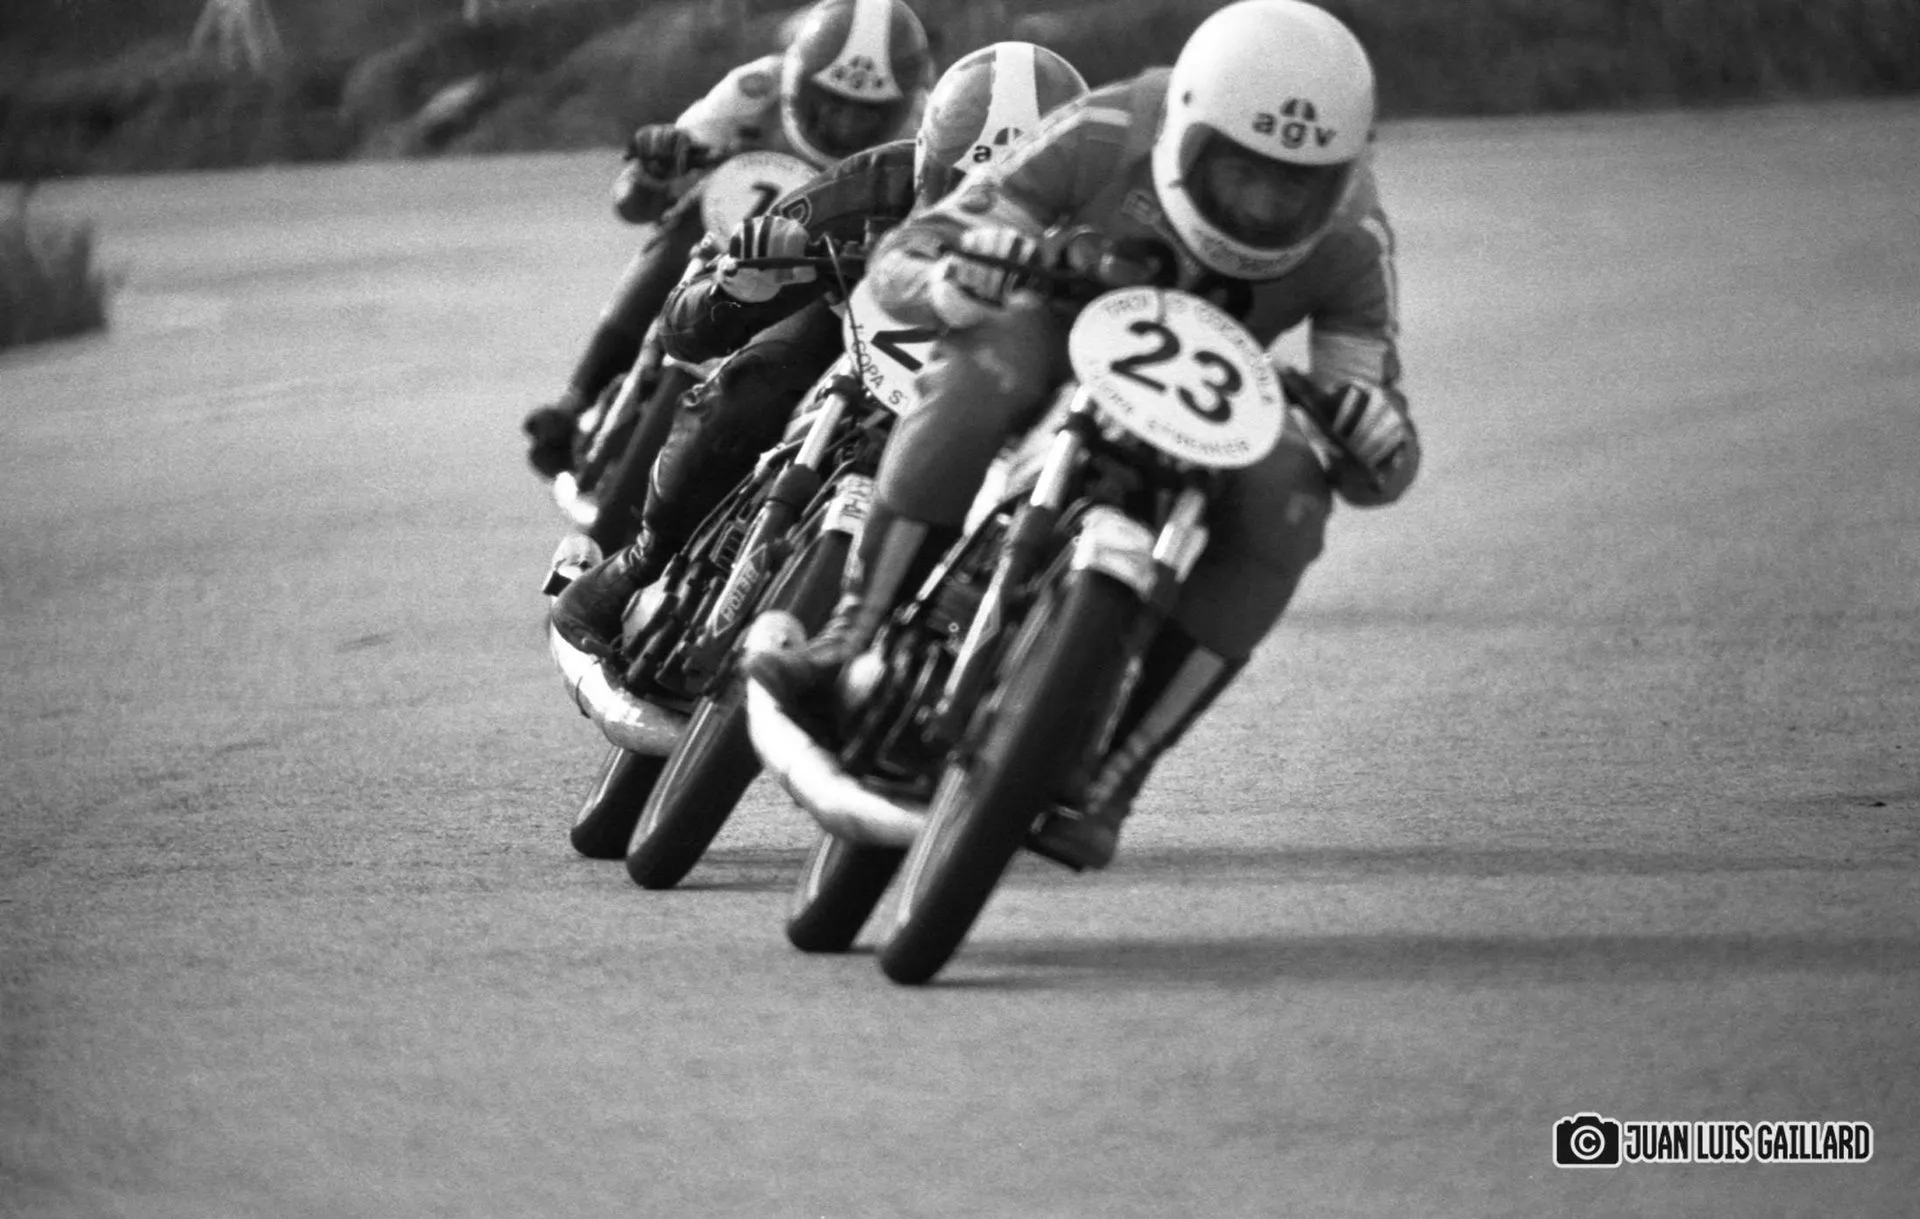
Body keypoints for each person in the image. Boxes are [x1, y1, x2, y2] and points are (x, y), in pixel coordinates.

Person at [747, 0, 1420, 870]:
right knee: (988, 364)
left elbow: (1375, 426)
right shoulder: (1108, 126)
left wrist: (1370, 436)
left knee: (1290, 500)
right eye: (1241, 171)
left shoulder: (1354, 235)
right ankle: (852, 630)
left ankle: (1116, 774)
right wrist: (962, 275)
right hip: (1061, 321)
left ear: (1342, 170)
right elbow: (915, 253)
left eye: (1293, 185)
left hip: (1210, 394)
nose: (1261, 202)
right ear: (1186, 123)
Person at [551, 42, 1092, 660]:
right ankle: (642, 560)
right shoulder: (870, 183)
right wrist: (738, 287)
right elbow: (684, 329)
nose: (983, 218)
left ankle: (933, 659)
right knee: (757, 387)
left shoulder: (1089, 237)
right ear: (928, 162)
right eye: (963, 189)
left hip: (989, 369)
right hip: (851, 327)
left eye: (1019, 200)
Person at [521, 0, 935, 481]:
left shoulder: (926, 127)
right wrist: (656, 168)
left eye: (865, 116)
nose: (843, 125)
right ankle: (575, 400)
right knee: (684, 226)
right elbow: (635, 204)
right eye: (830, 105)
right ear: (797, 79)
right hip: (733, 229)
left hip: (826, 266)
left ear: (902, 104)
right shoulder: (758, 87)